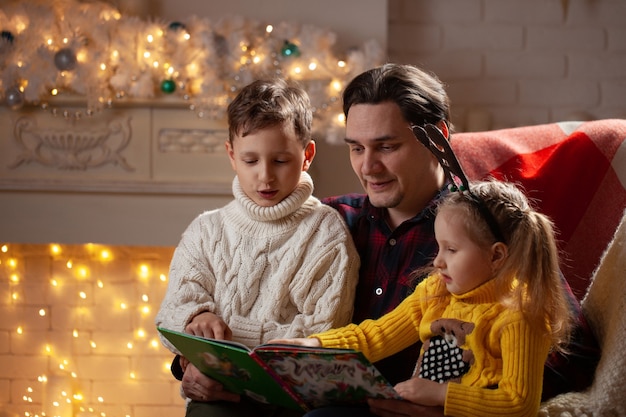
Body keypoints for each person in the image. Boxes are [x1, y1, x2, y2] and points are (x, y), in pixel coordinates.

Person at [172, 63, 600, 416]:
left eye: (386, 146)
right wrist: (190, 363)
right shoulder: (331, 222)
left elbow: (575, 353)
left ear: (439, 138)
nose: (368, 166)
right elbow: (244, 304)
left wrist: (455, 400)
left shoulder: (482, 233)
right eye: (356, 148)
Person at [274, 178, 575, 417]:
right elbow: (375, 335)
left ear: (496, 255)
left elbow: (518, 404)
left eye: (451, 250)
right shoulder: (436, 292)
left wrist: (441, 396)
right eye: (439, 247)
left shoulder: (519, 315)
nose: (438, 261)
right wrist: (315, 345)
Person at [155, 78, 360, 417]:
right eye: (251, 161)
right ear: (231, 155)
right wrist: (198, 317)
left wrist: (232, 332)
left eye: (280, 161)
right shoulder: (207, 231)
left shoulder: (326, 233)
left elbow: (323, 335)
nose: (265, 177)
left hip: (292, 400)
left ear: (306, 155)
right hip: (221, 395)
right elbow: (171, 314)